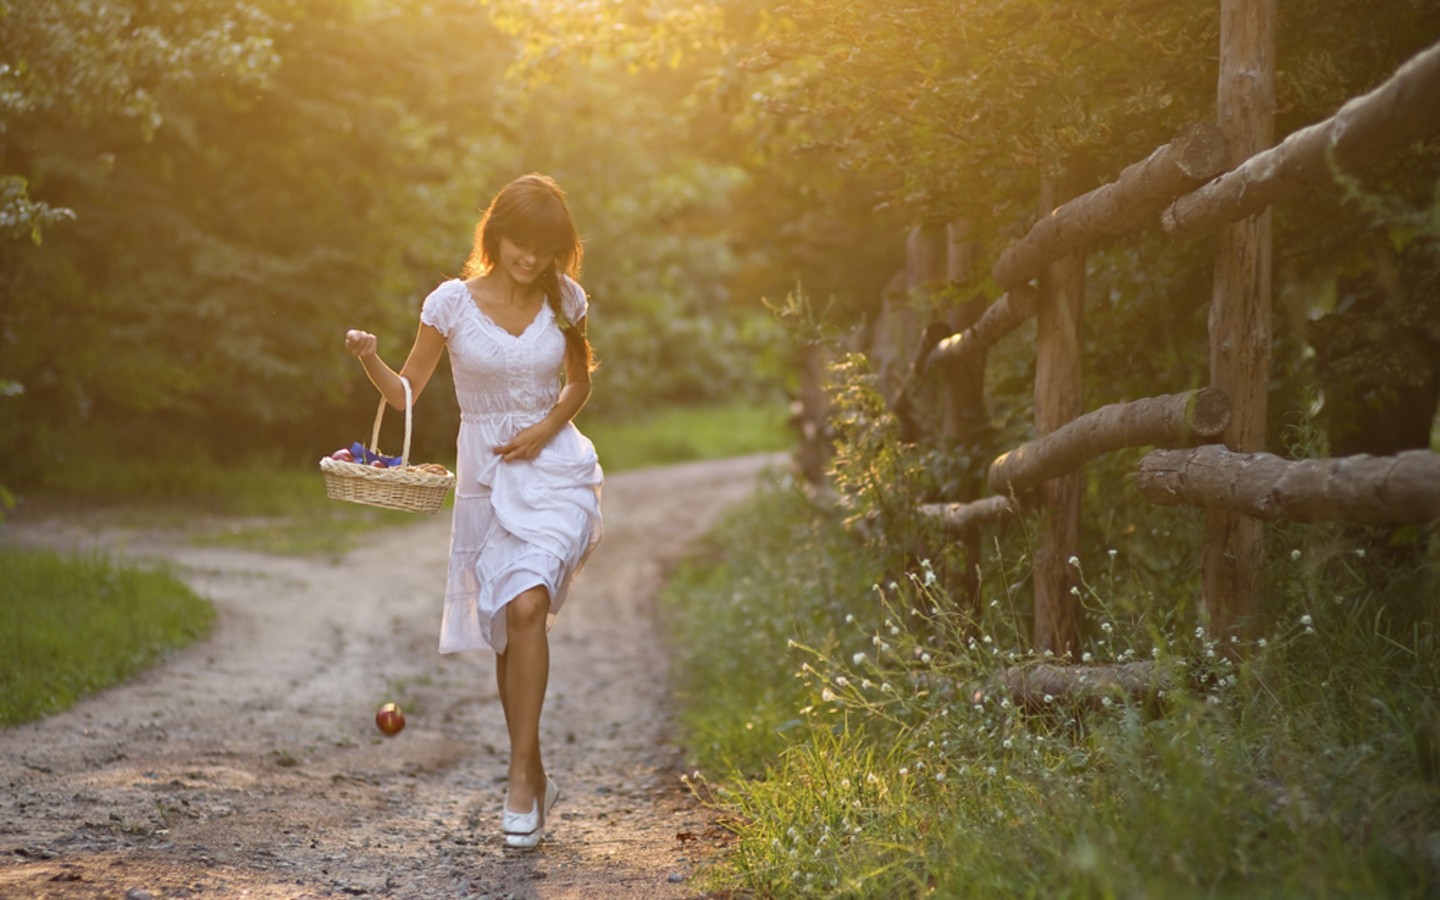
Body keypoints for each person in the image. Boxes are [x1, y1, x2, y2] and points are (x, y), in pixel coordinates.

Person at [344, 173, 602, 850]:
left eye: (546, 247)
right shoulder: (451, 304)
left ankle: (518, 775)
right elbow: (405, 394)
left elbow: (578, 383)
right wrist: (371, 360)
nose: (531, 257)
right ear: (497, 233)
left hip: (554, 471)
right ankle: (535, 765)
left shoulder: (566, 298)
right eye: (522, 242)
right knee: (504, 624)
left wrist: (544, 430)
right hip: (486, 479)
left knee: (528, 606)